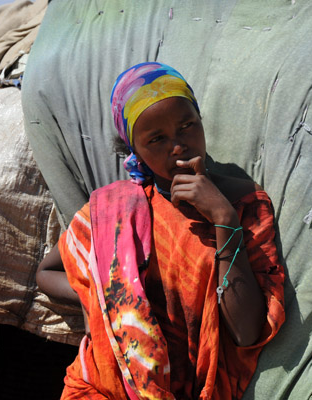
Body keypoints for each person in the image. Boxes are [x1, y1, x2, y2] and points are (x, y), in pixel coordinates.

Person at [36, 62, 285, 400]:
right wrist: (110, 291)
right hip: (101, 387)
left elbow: (245, 332)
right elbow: (46, 273)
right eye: (157, 139)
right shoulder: (115, 211)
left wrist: (223, 217)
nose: (178, 146)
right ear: (134, 150)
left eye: (187, 126)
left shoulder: (243, 204)